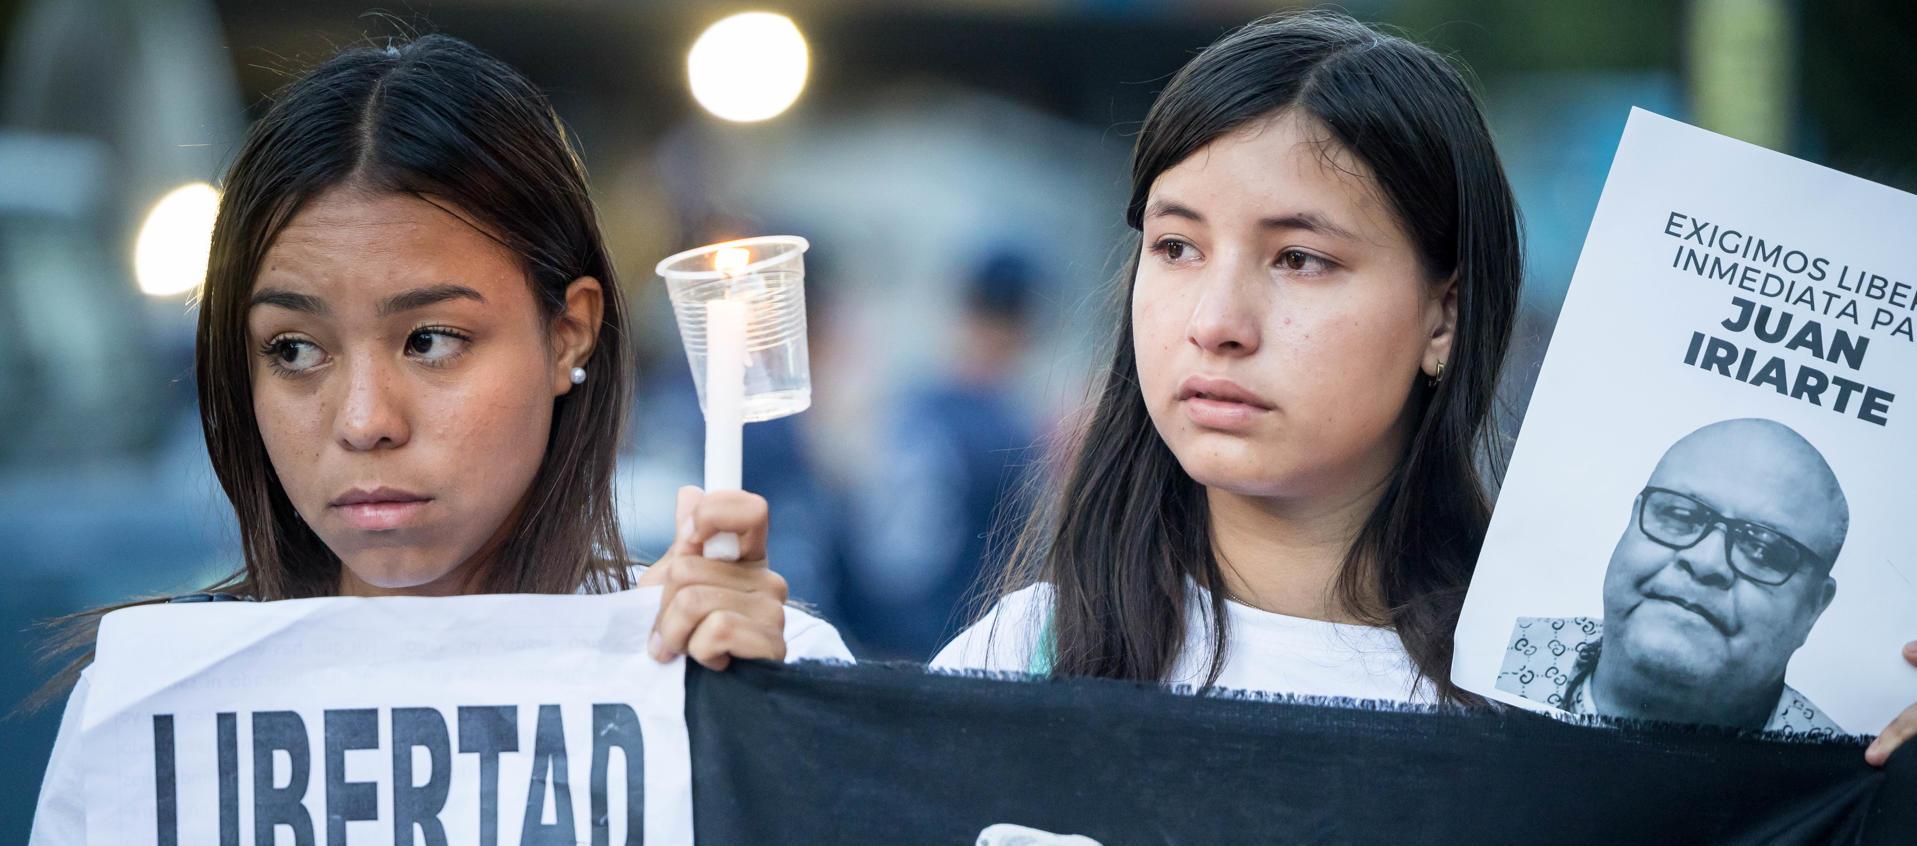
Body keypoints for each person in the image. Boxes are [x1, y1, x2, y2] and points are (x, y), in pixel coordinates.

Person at [930, 11, 1917, 766]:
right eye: (1177, 246)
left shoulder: (1568, 706)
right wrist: (771, 690)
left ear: (1443, 317)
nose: (1215, 319)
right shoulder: (1027, 660)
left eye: (1302, 259)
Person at [30, 35, 843, 843]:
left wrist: (762, 740)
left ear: (568, 334)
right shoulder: (149, 715)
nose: (363, 421)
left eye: (432, 340)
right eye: (295, 350)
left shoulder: (754, 666)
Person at [1498, 418, 1846, 734]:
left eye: (1763, 550)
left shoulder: (1859, 776)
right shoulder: (1480, 652)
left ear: (1814, 608)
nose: (1705, 561)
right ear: (1632, 521)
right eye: (1679, 514)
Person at [843, 249, 1041, 659]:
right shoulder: (1009, 435)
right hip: (951, 645)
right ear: (1023, 328)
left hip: (869, 632)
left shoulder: (907, 403)